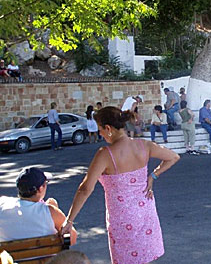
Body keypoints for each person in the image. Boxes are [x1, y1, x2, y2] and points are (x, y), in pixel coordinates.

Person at [60, 106, 180, 264]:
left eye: (100, 130)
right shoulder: (144, 145)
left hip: (122, 218)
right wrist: (152, 176)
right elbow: (173, 157)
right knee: (145, 256)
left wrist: (69, 221)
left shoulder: (105, 154)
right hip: (145, 211)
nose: (100, 134)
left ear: (108, 128)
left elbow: (85, 189)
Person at [0, 167, 77, 244]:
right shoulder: (49, 211)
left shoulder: (2, 204)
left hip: (9, 255)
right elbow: (72, 239)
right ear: (40, 188)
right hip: (46, 256)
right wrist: (54, 209)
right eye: (46, 183)